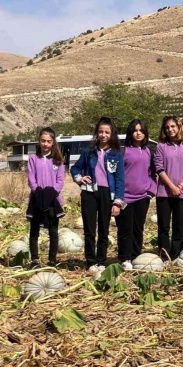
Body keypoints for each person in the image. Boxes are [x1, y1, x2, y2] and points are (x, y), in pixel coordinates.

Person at [71, 117, 125, 273]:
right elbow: (75, 168)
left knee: (104, 229)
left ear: (112, 134)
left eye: (107, 132)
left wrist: (117, 202)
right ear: (96, 133)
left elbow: (120, 179)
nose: (103, 135)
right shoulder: (88, 152)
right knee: (89, 229)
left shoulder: (116, 155)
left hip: (107, 194)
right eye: (100, 131)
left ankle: (101, 260)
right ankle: (90, 261)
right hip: (89, 193)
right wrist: (80, 179)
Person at [154, 115, 183, 261]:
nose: (170, 130)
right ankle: (164, 256)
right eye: (167, 127)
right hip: (164, 193)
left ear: (178, 127)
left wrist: (180, 186)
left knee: (179, 226)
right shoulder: (161, 147)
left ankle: (177, 255)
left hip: (182, 194)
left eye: (173, 126)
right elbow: (159, 168)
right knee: (164, 227)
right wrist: (171, 186)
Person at [116, 119, 156, 270]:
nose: (138, 133)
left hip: (142, 197)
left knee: (138, 229)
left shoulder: (148, 151)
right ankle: (125, 258)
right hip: (124, 197)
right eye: (135, 130)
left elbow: (152, 174)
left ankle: (136, 256)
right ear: (130, 133)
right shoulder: (123, 150)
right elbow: (116, 174)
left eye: (141, 130)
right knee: (125, 229)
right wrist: (117, 197)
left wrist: (150, 192)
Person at [26, 127, 65, 268]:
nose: (45, 144)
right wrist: (39, 193)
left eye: (49, 141)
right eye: (43, 141)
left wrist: (50, 194)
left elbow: (60, 181)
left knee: (53, 231)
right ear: (39, 141)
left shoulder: (58, 161)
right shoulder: (33, 159)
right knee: (34, 230)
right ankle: (35, 260)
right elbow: (31, 179)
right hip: (36, 198)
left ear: (53, 143)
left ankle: (52, 260)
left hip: (53, 200)